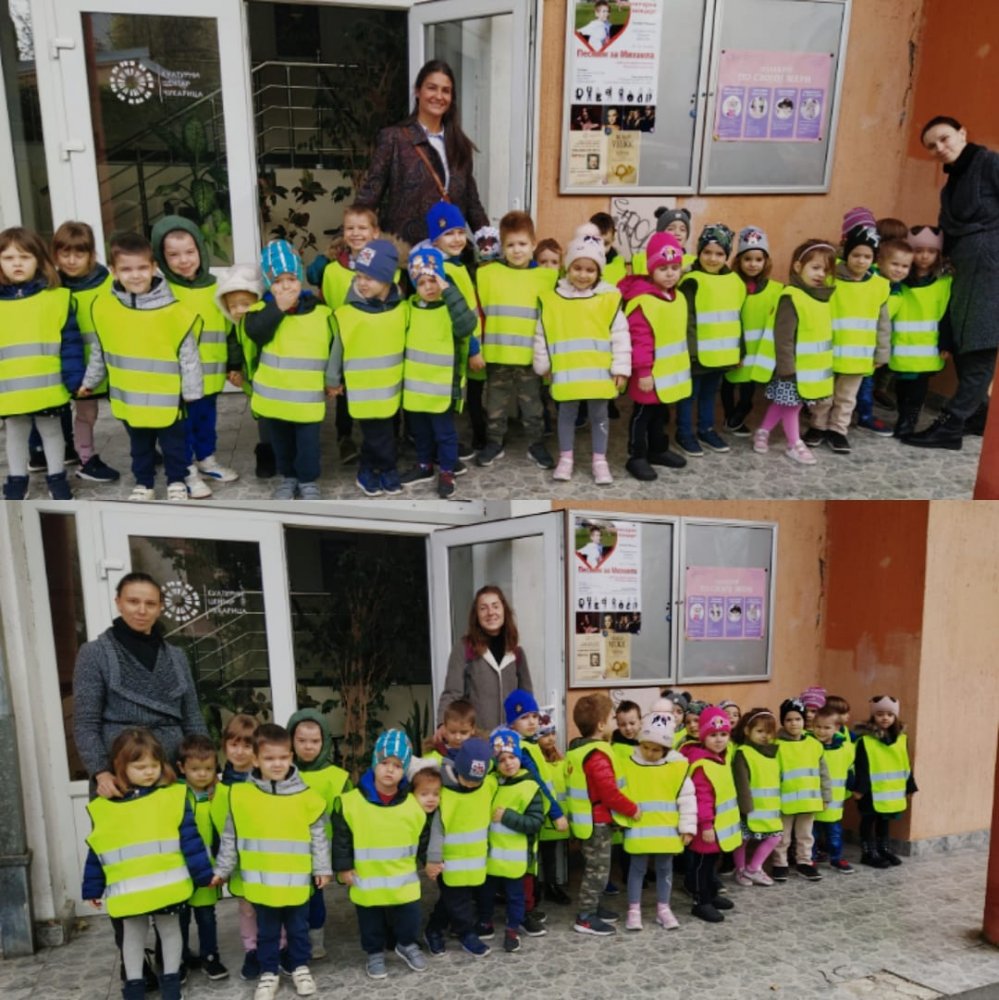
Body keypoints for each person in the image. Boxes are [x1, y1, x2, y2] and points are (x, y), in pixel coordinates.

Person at [83, 728, 214, 1000]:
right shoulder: (106, 807)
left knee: (170, 931)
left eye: (154, 765)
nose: (149, 772)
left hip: (168, 888)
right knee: (132, 936)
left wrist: (203, 874)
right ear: (120, 767)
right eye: (140, 767)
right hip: (130, 893)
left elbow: (190, 839)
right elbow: (98, 850)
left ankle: (171, 985)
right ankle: (134, 987)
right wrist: (92, 888)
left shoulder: (172, 797)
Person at [80, 232, 203, 501]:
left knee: (174, 445)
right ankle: (144, 483)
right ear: (113, 271)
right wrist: (90, 381)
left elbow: (189, 355)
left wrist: (192, 391)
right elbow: (100, 350)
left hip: (168, 398)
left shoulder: (173, 310)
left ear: (154, 267)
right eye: (126, 269)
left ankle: (177, 481)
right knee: (140, 447)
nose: (135, 275)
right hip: (130, 398)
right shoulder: (105, 309)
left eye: (142, 268)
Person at [211, 723, 330, 1000]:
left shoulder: (306, 796)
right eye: (269, 758)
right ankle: (268, 973)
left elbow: (319, 836)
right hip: (261, 884)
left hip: (296, 882)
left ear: (291, 757)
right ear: (255, 760)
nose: (277, 764)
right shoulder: (241, 796)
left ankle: (300, 968)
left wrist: (322, 868)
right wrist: (223, 870)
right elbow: (230, 836)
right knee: (267, 932)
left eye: (283, 757)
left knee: (298, 929)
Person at [904, 115, 998, 445]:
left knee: (979, 346)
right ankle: (978, 414)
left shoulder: (989, 163)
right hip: (964, 272)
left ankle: (951, 425)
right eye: (932, 146)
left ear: (962, 133)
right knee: (962, 342)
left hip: (990, 273)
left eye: (944, 138)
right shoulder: (952, 184)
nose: (940, 148)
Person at [73, 573, 208, 797]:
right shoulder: (95, 653)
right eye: (133, 601)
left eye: (150, 604)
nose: (142, 610)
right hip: (120, 773)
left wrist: (203, 765)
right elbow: (86, 723)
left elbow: (193, 717)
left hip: (173, 770)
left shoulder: (177, 656)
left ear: (160, 608)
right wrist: (100, 772)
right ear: (118, 603)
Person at [354, 60, 489, 249]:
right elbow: (370, 195)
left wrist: (489, 242)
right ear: (418, 91)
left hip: (450, 255)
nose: (439, 96)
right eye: (432, 88)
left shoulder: (459, 145)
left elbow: (472, 203)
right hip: (405, 253)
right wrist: (344, 243)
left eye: (445, 91)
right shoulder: (395, 138)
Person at [151, 216, 239, 498]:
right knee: (182, 428)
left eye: (190, 252)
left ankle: (206, 460)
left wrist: (234, 364)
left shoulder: (218, 287)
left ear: (201, 249)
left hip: (211, 376)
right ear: (161, 258)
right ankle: (186, 470)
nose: (184, 260)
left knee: (206, 422)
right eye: (173, 255)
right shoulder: (161, 290)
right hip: (179, 381)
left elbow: (230, 329)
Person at [241, 240, 335, 501]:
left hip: (306, 398)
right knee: (281, 442)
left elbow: (332, 344)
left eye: (291, 279)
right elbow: (256, 333)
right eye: (278, 281)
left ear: (300, 279)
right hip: (275, 398)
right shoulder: (259, 311)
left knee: (308, 444)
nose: (286, 287)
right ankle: (288, 476)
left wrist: (332, 380)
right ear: (268, 283)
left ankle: (307, 480)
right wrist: (277, 309)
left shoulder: (319, 311)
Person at [534, 230, 630, 483]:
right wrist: (544, 364)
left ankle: (600, 461)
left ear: (599, 272)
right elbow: (542, 333)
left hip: (600, 374)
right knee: (566, 415)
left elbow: (621, 335)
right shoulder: (553, 300)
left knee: (599, 416)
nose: (583, 275)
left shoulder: (608, 300)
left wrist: (621, 368)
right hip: (566, 373)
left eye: (590, 270)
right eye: (577, 268)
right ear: (567, 267)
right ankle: (566, 459)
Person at [333, 730, 428, 981]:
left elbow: (423, 835)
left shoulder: (413, 804)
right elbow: (342, 839)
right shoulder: (351, 802)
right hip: (367, 879)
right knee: (370, 920)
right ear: (374, 762)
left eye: (397, 765)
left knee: (410, 916)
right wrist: (343, 868)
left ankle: (406, 944)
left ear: (404, 770)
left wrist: (431, 860)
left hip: (403, 879)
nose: (390, 770)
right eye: (385, 762)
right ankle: (374, 953)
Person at [0, 225, 83, 499]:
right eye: (9, 258)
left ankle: (57, 478)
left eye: (25, 257)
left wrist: (74, 378)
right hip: (10, 391)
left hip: (48, 387)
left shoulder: (56, 299)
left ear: (38, 260)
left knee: (52, 432)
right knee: (15, 434)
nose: (17, 264)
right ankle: (17, 479)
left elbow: (71, 344)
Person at [476, 210, 559, 470]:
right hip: (497, 355)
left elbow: (552, 319)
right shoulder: (488, 274)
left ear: (534, 244)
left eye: (522, 243)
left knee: (533, 406)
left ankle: (536, 444)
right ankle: (494, 442)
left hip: (529, 357)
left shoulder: (546, 278)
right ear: (502, 247)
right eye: (510, 245)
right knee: (495, 404)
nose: (517, 250)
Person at [328, 238, 407, 498]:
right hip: (362, 387)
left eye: (369, 278)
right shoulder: (348, 312)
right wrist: (332, 379)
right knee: (377, 433)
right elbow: (338, 347)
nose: (361, 283)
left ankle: (369, 468)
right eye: (359, 276)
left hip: (391, 386)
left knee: (383, 431)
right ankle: (385, 468)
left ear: (387, 279)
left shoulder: (402, 309)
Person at [399, 245, 477, 498]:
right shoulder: (409, 308)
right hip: (415, 387)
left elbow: (467, 325)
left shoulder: (450, 308)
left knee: (445, 434)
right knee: (420, 432)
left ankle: (447, 470)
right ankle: (424, 465)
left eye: (433, 280)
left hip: (442, 386)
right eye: (422, 282)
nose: (429, 287)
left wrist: (449, 291)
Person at [804, 224, 890, 454]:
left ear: (874, 258)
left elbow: (883, 324)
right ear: (846, 254)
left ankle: (838, 430)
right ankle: (817, 426)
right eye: (856, 255)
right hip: (826, 351)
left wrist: (882, 353)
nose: (861, 261)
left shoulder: (880, 286)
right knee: (823, 394)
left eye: (867, 256)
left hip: (858, 355)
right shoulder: (829, 279)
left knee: (846, 397)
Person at [310, 205, 384, 466]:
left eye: (362, 228)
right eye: (350, 228)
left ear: (375, 233)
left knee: (378, 393)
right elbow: (327, 305)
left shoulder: (387, 268)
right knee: (344, 393)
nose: (355, 233)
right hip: (344, 343)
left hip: (376, 344)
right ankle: (345, 437)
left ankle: (386, 437)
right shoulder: (332, 270)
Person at [752, 239, 837, 466]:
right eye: (815, 267)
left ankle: (763, 431)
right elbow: (784, 337)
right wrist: (787, 369)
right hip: (791, 370)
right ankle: (794, 444)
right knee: (792, 406)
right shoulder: (792, 297)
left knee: (786, 404)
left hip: (809, 369)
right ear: (798, 267)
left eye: (826, 270)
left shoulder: (820, 297)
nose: (821, 274)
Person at [566, 693, 640, 936]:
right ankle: (585, 917)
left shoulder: (578, 750)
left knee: (596, 868)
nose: (613, 722)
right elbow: (609, 793)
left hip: (587, 820)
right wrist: (632, 809)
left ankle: (594, 907)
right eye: (611, 718)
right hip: (597, 822)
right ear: (600, 725)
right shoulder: (597, 755)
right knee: (597, 872)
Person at [618, 231, 691, 481]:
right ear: (651, 270)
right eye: (663, 268)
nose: (670, 274)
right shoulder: (643, 301)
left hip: (668, 374)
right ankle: (636, 455)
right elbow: (640, 341)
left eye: (675, 268)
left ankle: (658, 450)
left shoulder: (677, 297)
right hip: (647, 374)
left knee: (660, 414)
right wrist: (644, 372)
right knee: (643, 415)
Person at [51, 220, 119, 484]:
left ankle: (147, 447)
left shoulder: (110, 282)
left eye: (79, 253)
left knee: (127, 409)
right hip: (78, 367)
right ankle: (86, 459)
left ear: (92, 253)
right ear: (55, 254)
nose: (71, 260)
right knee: (86, 415)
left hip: (114, 363)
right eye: (64, 253)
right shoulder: (54, 289)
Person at [619, 711, 695, 931]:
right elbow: (620, 793)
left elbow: (687, 799)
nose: (650, 753)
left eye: (656, 750)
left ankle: (664, 909)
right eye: (646, 747)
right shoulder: (628, 765)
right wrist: (621, 822)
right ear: (640, 743)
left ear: (666, 750)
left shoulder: (677, 769)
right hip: (638, 830)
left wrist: (687, 828)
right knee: (637, 869)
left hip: (667, 831)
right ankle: (634, 910)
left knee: (664, 869)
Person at [676, 223, 746, 457]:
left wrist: (739, 351)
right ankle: (684, 432)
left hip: (721, 354)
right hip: (696, 355)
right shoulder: (691, 280)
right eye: (707, 252)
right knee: (689, 395)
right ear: (699, 252)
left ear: (727, 256)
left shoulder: (735, 281)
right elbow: (687, 319)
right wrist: (690, 352)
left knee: (709, 394)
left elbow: (737, 318)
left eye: (719, 254)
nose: (713, 258)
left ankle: (706, 429)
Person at [287, 708, 352, 960]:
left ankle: (315, 939)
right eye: (301, 740)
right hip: (289, 851)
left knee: (315, 899)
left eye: (315, 741)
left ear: (324, 741)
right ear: (291, 740)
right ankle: (293, 939)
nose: (308, 746)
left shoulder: (337, 777)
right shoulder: (281, 773)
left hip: (320, 853)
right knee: (292, 899)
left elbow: (348, 819)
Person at [426, 200, 487, 460]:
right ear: (435, 239)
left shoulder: (457, 264)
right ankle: (443, 450)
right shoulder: (443, 270)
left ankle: (446, 445)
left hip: (463, 344)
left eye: (461, 232)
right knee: (447, 399)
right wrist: (473, 349)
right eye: (448, 233)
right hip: (457, 346)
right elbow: (459, 313)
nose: (457, 238)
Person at [503, 689, 568, 932]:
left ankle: (526, 908)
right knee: (524, 867)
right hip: (523, 815)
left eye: (534, 716)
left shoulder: (527, 744)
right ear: (512, 722)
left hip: (529, 813)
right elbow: (538, 783)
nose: (532, 722)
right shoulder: (519, 747)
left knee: (529, 865)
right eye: (524, 717)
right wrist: (556, 813)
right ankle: (522, 914)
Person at [423, 738, 494, 958]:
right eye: (467, 779)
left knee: (452, 901)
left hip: (475, 860)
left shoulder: (489, 784)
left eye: (476, 781)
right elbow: (438, 829)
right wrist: (433, 859)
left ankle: (433, 929)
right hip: (449, 861)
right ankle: (466, 934)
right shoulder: (445, 793)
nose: (471, 784)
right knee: (458, 900)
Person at [437, 585, 534, 732]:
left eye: (495, 606)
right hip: (476, 737)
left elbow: (527, 697)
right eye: (483, 608)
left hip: (511, 739)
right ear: (476, 615)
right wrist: (441, 724)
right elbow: (452, 693)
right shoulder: (464, 649)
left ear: (504, 610)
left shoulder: (516, 652)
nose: (490, 612)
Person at [485, 727, 545, 954]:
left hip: (515, 859)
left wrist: (507, 816)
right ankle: (484, 923)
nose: (508, 763)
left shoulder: (530, 787)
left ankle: (512, 930)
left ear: (519, 756)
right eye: (501, 759)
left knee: (515, 897)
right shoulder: (491, 783)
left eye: (512, 757)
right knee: (486, 895)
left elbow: (535, 822)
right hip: (491, 857)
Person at [209, 714, 261, 981]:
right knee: (247, 907)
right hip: (237, 861)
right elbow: (216, 826)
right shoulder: (217, 786)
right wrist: (222, 865)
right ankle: (252, 951)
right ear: (225, 746)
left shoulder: (265, 782)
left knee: (272, 906)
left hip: (265, 857)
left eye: (247, 745)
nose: (240, 752)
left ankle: (280, 947)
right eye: (234, 744)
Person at [680, 706, 741, 922]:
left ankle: (711, 895)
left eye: (723, 734)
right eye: (713, 735)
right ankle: (701, 901)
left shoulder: (721, 757)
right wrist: (706, 825)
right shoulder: (702, 764)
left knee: (711, 863)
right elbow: (702, 799)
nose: (719, 740)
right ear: (703, 736)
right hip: (706, 827)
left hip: (719, 826)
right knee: (702, 865)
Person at [215, 262, 276, 479]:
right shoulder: (235, 327)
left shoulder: (266, 323)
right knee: (264, 419)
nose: (238, 310)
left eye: (245, 304)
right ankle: (267, 454)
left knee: (280, 419)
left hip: (274, 380)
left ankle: (285, 451)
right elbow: (234, 349)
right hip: (254, 383)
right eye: (232, 306)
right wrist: (234, 369)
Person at [175, 733, 228, 980]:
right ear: (181, 768)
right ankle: (179, 959)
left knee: (206, 916)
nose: (202, 774)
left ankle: (210, 958)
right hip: (179, 871)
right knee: (180, 918)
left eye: (208, 768)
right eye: (195, 769)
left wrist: (223, 868)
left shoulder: (220, 794)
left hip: (208, 870)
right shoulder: (174, 795)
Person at [722, 226, 783, 436]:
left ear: (766, 261)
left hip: (758, 350)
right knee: (729, 382)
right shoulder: (731, 285)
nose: (753, 264)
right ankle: (730, 416)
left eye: (758, 259)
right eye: (747, 259)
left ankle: (742, 409)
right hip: (735, 346)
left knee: (749, 386)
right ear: (739, 261)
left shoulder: (776, 289)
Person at [894, 226, 952, 440]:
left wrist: (946, 343)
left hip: (928, 346)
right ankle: (903, 414)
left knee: (918, 386)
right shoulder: (899, 280)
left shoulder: (944, 282)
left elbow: (947, 315)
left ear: (938, 254)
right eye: (918, 251)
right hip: (900, 344)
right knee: (902, 383)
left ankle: (909, 419)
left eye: (931, 251)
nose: (925, 256)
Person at [851, 695, 917, 867]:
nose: (885, 718)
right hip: (869, 790)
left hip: (890, 790)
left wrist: (910, 786)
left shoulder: (901, 739)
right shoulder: (865, 740)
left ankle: (883, 849)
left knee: (884, 820)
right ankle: (868, 853)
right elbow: (861, 765)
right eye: (880, 714)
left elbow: (905, 764)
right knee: (868, 820)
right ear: (873, 716)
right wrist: (859, 789)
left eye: (890, 714)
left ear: (895, 716)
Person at [771, 698, 830, 882]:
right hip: (785, 803)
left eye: (798, 719)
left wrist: (826, 797)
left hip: (808, 801)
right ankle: (780, 864)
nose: (794, 723)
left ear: (804, 720)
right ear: (783, 722)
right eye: (788, 719)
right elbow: (772, 775)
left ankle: (805, 862)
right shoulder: (776, 745)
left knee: (805, 835)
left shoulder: (814, 744)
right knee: (782, 836)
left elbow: (824, 773)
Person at [730, 707, 782, 886]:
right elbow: (741, 781)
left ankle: (753, 868)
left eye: (769, 732)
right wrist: (745, 807)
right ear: (747, 730)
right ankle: (740, 870)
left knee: (775, 837)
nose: (765, 736)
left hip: (769, 808)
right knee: (742, 840)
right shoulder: (743, 752)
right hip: (748, 809)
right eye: (759, 731)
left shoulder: (773, 753)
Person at [811, 706, 856, 873]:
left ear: (837, 728)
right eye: (818, 726)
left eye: (827, 727)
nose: (821, 731)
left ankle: (836, 858)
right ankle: (810, 859)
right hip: (812, 799)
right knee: (811, 834)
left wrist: (853, 788)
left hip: (835, 801)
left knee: (834, 833)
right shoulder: (808, 745)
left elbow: (850, 770)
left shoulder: (845, 748)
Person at [631, 207, 695, 276]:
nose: (677, 233)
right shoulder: (640, 259)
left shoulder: (693, 262)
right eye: (671, 229)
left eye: (682, 230)